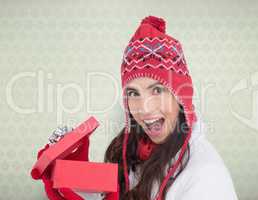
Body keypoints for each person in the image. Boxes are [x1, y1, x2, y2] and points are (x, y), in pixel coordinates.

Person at [35, 16, 239, 200]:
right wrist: (72, 176)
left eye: (157, 90)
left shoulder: (206, 176)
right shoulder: (134, 150)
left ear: (180, 97)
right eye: (133, 93)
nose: (144, 108)